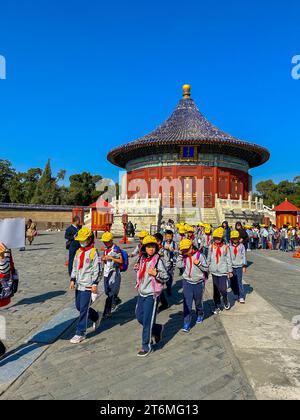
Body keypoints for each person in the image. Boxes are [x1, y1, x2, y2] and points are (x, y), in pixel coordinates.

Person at [135, 235, 169, 357]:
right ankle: (156, 329)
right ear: (144, 248)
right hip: (142, 292)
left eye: (153, 246)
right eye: (148, 246)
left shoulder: (158, 260)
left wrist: (156, 274)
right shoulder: (142, 259)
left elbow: (166, 277)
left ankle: (146, 345)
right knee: (139, 316)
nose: (151, 249)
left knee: (147, 320)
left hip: (152, 294)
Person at [69, 228, 101, 344]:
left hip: (88, 285)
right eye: (80, 240)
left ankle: (80, 332)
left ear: (90, 239)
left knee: (83, 309)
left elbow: (97, 270)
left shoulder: (93, 252)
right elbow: (74, 266)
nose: (82, 242)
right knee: (79, 306)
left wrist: (94, 283)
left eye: (84, 240)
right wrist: (72, 279)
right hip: (79, 284)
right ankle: (96, 316)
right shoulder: (79, 252)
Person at [177, 239, 208, 333]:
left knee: (198, 302)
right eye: (184, 250)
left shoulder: (200, 255)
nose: (186, 252)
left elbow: (206, 268)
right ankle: (186, 323)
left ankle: (200, 313)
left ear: (192, 247)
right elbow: (179, 265)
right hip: (187, 282)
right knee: (187, 304)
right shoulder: (184, 256)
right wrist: (180, 256)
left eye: (187, 249)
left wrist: (199, 264)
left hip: (198, 282)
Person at [207, 227, 233, 314]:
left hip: (223, 271)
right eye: (215, 238)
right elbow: (208, 258)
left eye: (218, 238)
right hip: (214, 271)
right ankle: (216, 305)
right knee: (216, 290)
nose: (217, 240)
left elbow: (229, 259)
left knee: (223, 289)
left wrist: (230, 271)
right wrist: (207, 268)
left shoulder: (225, 247)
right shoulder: (211, 247)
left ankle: (225, 300)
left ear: (222, 238)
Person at [101, 232, 123, 319]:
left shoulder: (116, 249)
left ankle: (107, 312)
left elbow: (121, 261)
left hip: (114, 273)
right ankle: (116, 299)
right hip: (106, 273)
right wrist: (104, 259)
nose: (105, 243)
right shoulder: (106, 249)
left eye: (106, 241)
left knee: (110, 294)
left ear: (111, 240)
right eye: (104, 241)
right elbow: (106, 260)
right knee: (107, 291)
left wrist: (111, 258)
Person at [228, 231, 247, 303]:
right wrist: (228, 268)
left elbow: (244, 256)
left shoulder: (241, 246)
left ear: (238, 238)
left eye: (236, 238)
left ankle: (241, 296)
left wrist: (244, 266)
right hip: (231, 266)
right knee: (232, 282)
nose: (235, 240)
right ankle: (235, 294)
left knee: (239, 281)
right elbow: (228, 256)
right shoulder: (229, 246)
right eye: (233, 238)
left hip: (239, 266)